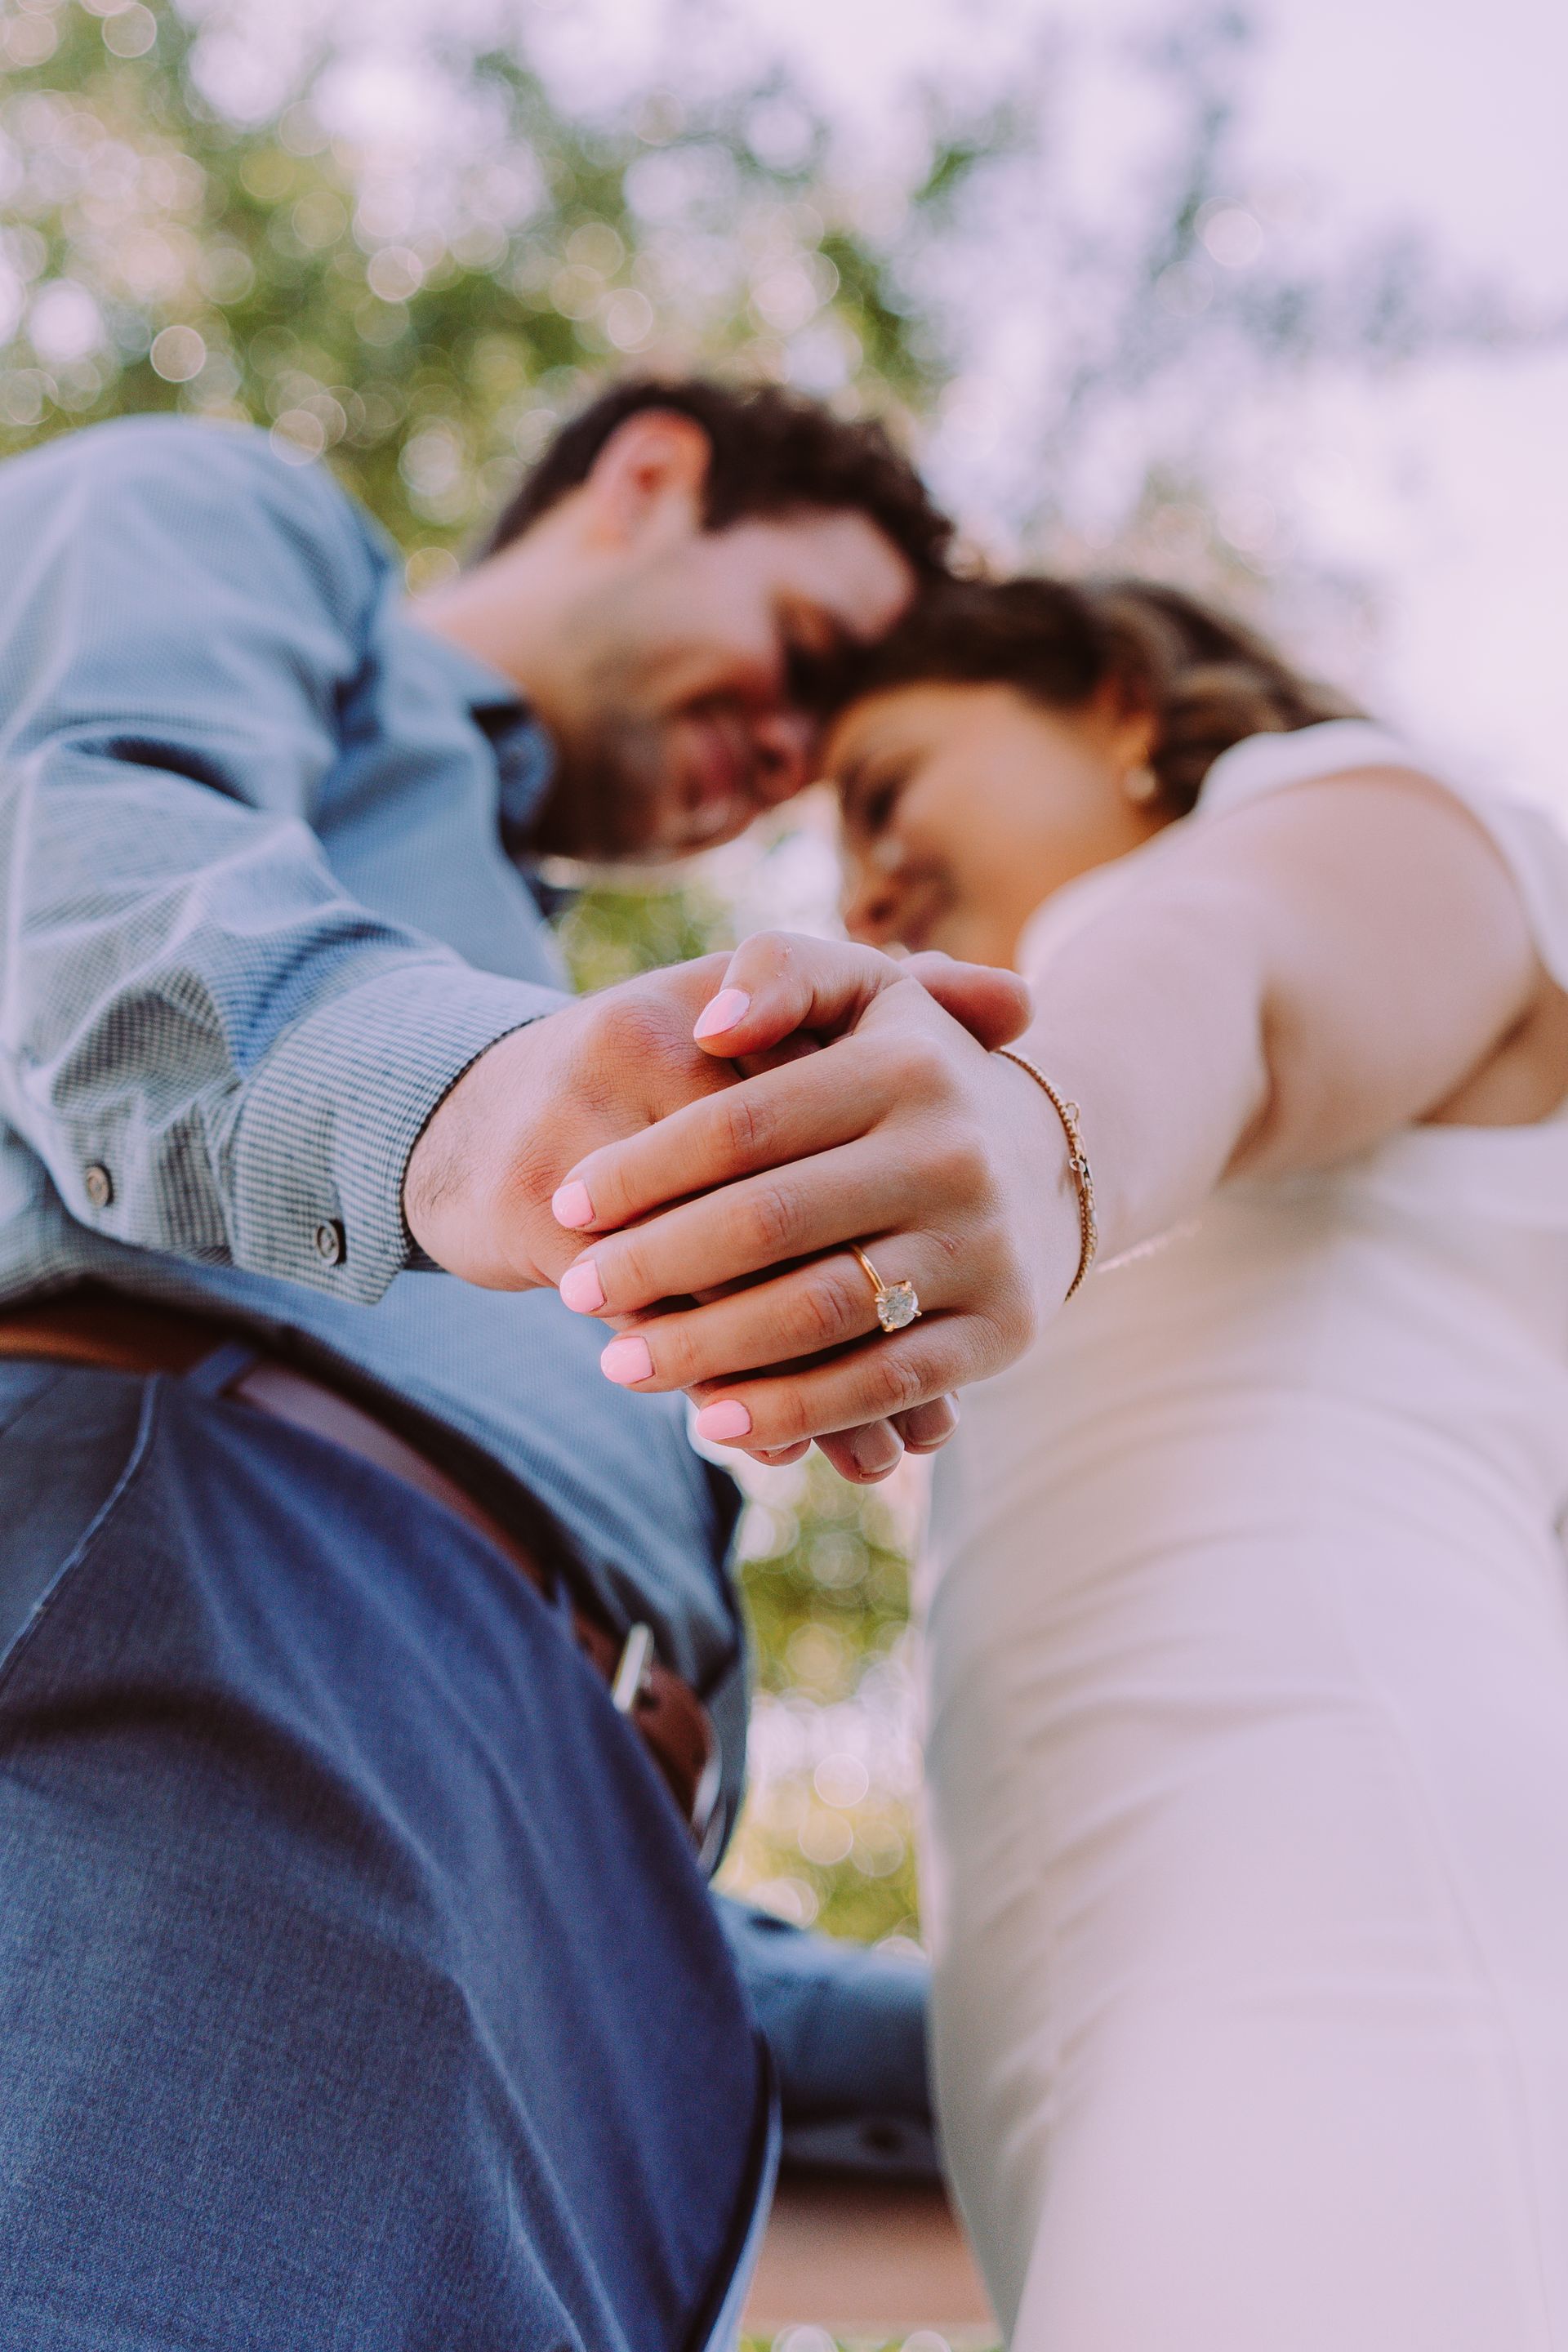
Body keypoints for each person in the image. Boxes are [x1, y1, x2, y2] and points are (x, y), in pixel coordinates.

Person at [0, 378, 1041, 2349]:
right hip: (206, 1571)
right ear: (651, 475)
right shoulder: (232, 514)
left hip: (581, 1959)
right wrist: (469, 1112)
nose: (787, 755)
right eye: (806, 653)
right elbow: (83, 821)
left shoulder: (526, 973)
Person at [565, 575, 1568, 2348]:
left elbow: (1232, 984)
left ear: (1119, 701)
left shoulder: (1349, 820)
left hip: (1356, 1919)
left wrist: (1038, 1127)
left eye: (888, 787)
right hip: (1124, 2068)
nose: (862, 881)